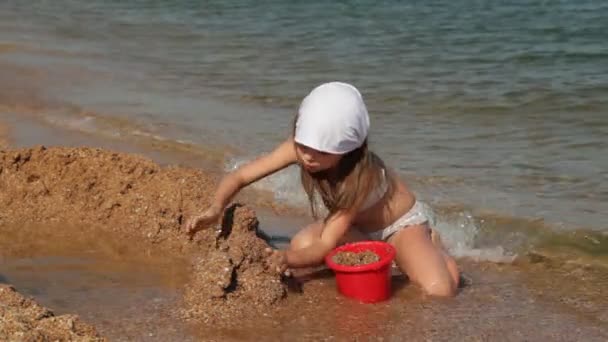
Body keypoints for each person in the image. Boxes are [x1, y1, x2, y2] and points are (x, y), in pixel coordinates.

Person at [186, 82, 459, 297]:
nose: (307, 158)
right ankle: (389, 260)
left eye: (321, 152)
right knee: (301, 245)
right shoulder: (300, 146)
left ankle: (434, 247)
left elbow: (327, 244)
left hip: (400, 228)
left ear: (348, 151)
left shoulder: (360, 176)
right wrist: (215, 208)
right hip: (355, 230)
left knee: (439, 289)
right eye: (304, 147)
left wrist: (286, 260)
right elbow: (241, 176)